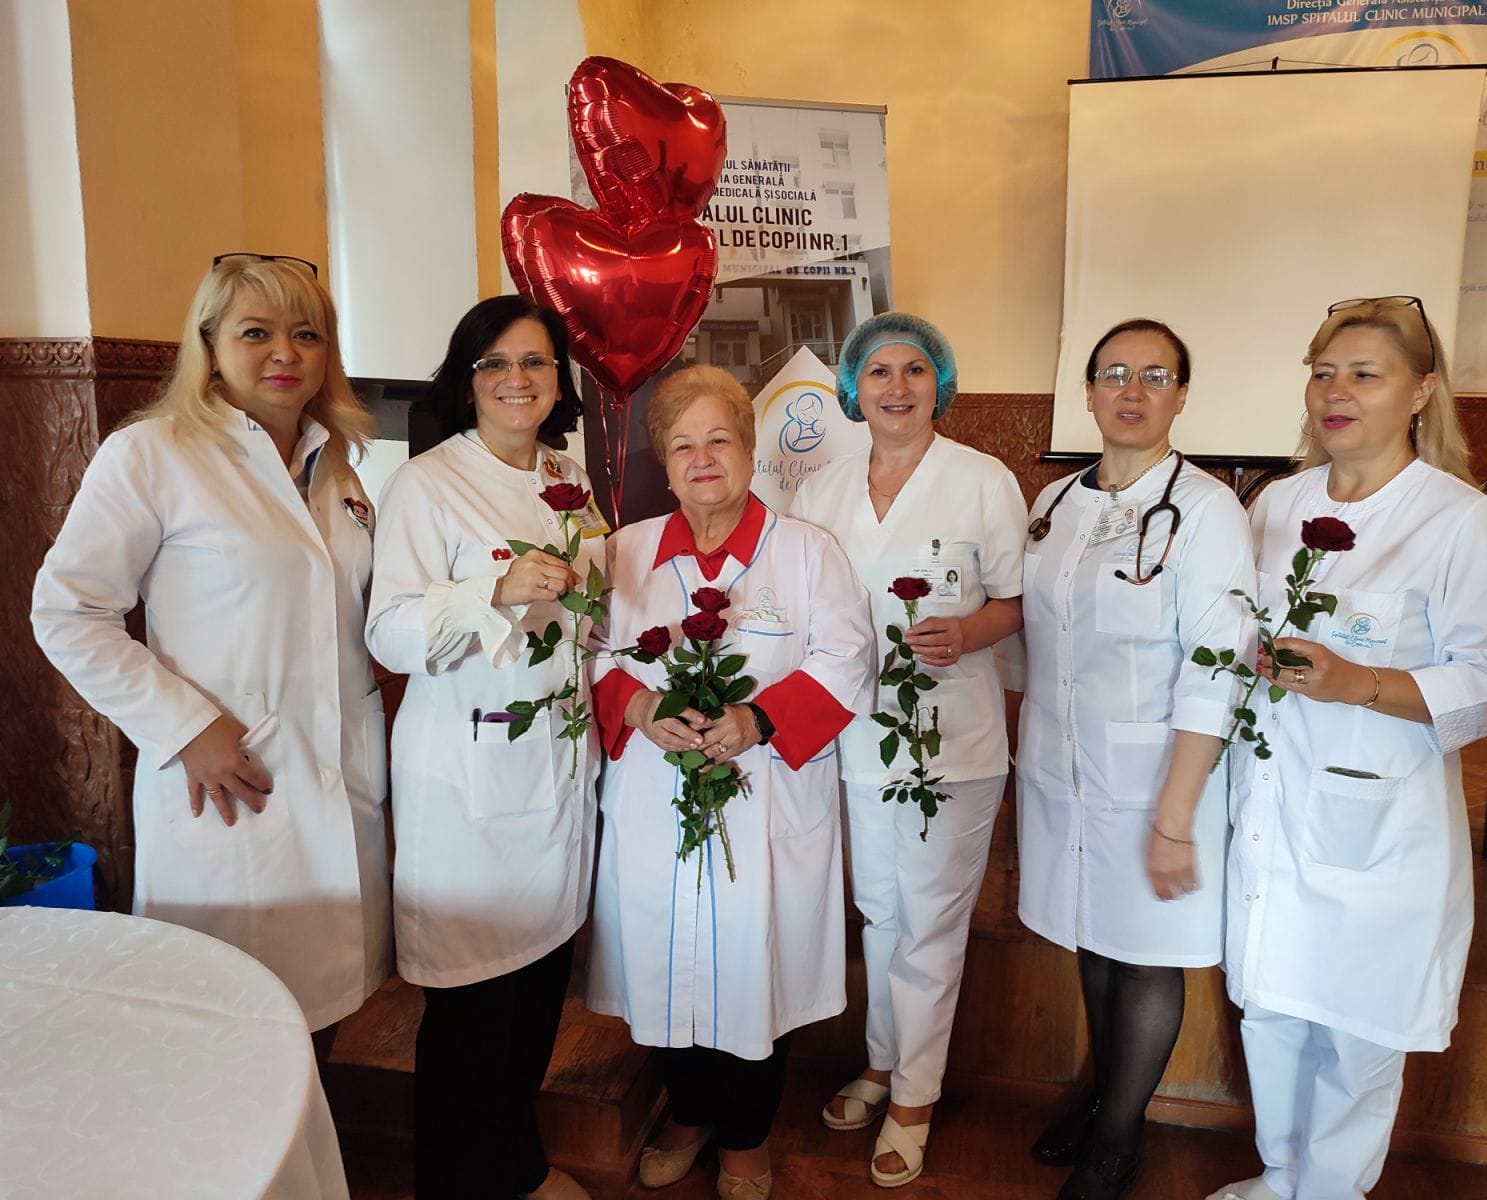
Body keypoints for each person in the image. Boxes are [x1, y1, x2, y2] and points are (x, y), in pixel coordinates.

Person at [1208, 297, 1487, 1200]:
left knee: (1357, 1028)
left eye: (1363, 374)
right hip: (1269, 801)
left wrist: (1360, 683)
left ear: (1421, 391)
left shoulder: (1457, 519)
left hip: (1377, 816)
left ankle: (1330, 1191)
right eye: (1323, 374)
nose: (1335, 393)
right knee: (1271, 1006)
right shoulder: (1276, 504)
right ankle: (1280, 1177)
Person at [31, 253, 391, 1047]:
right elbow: (68, 611)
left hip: (337, 778)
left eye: (307, 334)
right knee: (228, 1027)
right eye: (256, 332)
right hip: (233, 780)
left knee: (324, 1020)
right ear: (210, 345)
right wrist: (188, 727)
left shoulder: (338, 467)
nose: (285, 353)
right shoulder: (153, 453)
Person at [586, 365, 875, 1200]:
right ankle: (687, 1114)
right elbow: (589, 655)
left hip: (764, 800)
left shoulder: (808, 553)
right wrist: (639, 704)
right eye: (683, 445)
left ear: (750, 450)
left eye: (719, 439)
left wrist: (759, 719)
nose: (703, 458)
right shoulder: (623, 553)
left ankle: (746, 1137)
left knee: (755, 966)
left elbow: (847, 659)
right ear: (664, 463)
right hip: (656, 798)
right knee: (664, 961)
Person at [1016, 319, 1254, 1199]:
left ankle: (1118, 1138)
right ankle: (1099, 1100)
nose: (1132, 390)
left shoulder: (1208, 512)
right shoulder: (1054, 503)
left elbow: (1217, 665)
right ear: (1086, 391)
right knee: (1095, 936)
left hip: (1157, 777)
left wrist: (1176, 817)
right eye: (1115, 373)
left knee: (1146, 954)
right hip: (1062, 768)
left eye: (1156, 375)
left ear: (1181, 396)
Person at [365, 296, 596, 1200]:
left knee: (537, 997)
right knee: (472, 1016)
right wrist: (491, 591)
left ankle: (519, 1170)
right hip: (470, 788)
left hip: (555, 776)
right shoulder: (426, 485)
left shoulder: (567, 475)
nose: (516, 379)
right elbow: (389, 634)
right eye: (494, 363)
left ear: (558, 381)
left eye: (534, 362)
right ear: (466, 383)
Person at [790, 312, 1027, 1187]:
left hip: (950, 742)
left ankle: (915, 1099)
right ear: (853, 389)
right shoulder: (820, 492)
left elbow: (1017, 602)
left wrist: (967, 634)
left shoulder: (983, 480)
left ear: (940, 384)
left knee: (930, 921)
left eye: (915, 370)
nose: (897, 386)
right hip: (855, 737)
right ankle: (884, 1062)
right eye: (880, 371)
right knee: (882, 911)